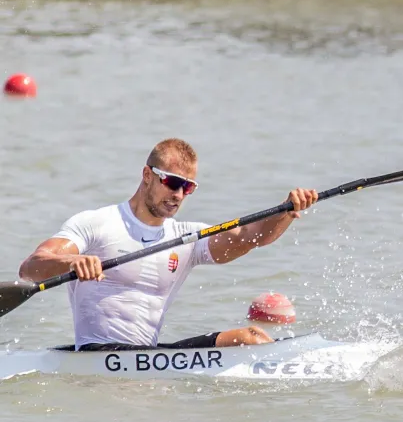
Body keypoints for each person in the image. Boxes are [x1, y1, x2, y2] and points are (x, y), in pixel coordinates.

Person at [18, 138, 318, 351]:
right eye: (172, 182)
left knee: (252, 337)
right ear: (147, 175)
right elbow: (31, 267)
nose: (178, 194)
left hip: (147, 358)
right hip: (97, 354)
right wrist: (73, 262)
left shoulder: (187, 237)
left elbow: (250, 238)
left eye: (188, 187)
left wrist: (286, 211)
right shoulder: (97, 223)